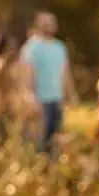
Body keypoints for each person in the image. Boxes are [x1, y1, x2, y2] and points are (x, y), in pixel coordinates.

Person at [21, 12, 78, 156]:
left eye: (51, 22)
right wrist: (30, 96)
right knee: (39, 141)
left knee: (55, 138)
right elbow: (27, 74)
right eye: (44, 23)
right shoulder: (32, 47)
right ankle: (38, 170)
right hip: (40, 101)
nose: (48, 26)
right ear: (38, 25)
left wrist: (71, 94)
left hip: (56, 99)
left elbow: (65, 73)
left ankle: (53, 170)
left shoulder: (60, 48)